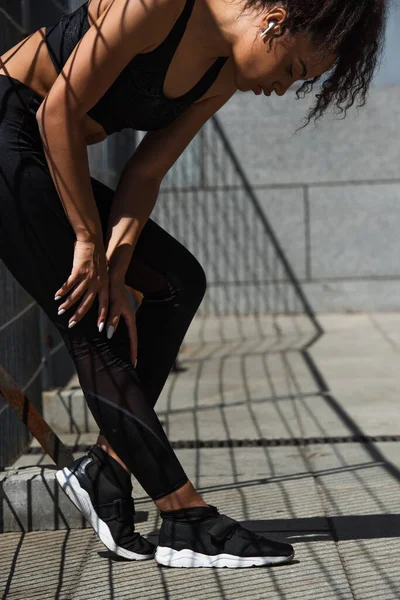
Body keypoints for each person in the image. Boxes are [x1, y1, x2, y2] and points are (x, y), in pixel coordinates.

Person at [0, 0, 386, 569]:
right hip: (11, 124)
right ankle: (184, 517)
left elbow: (144, 173)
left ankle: (107, 470)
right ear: (276, 20)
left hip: (43, 155)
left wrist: (119, 262)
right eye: (294, 70)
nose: (282, 88)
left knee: (179, 281)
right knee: (87, 317)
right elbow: (58, 110)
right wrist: (89, 241)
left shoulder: (220, 74)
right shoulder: (161, 5)